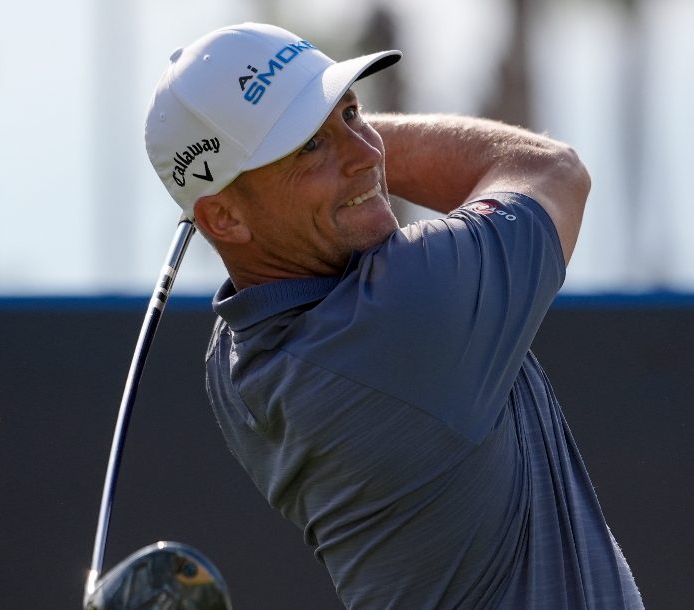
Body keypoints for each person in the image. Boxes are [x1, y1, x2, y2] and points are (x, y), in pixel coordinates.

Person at [144, 22, 643, 610]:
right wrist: (347, 129)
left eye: (354, 115)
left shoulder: (233, 364)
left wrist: (322, 139)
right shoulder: (409, 311)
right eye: (309, 146)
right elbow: (552, 171)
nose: (368, 152)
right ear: (224, 219)